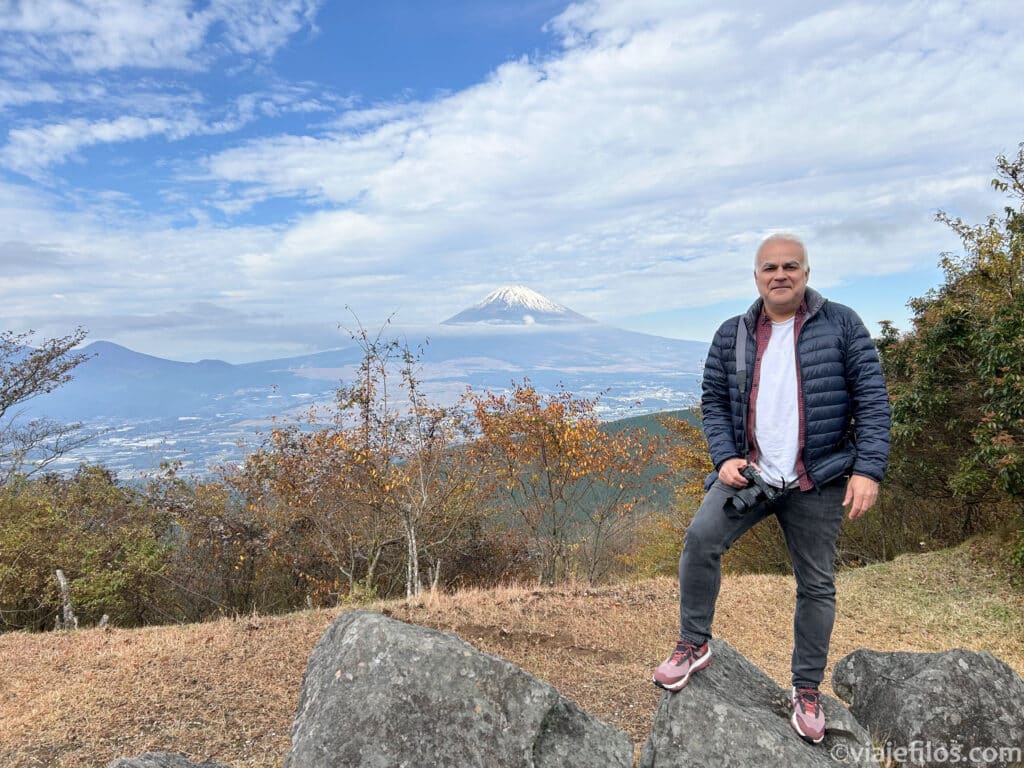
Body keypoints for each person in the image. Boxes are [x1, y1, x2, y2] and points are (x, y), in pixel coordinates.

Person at [652, 233, 891, 744]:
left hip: (819, 477)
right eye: (769, 268)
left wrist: (869, 470)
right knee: (700, 541)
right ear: (756, 276)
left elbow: (873, 398)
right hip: (752, 474)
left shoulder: (842, 323)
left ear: (806, 272)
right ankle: (694, 643)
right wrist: (725, 457)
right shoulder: (733, 333)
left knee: (816, 583)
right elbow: (713, 400)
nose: (779, 275)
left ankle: (806, 690)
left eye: (790, 266)